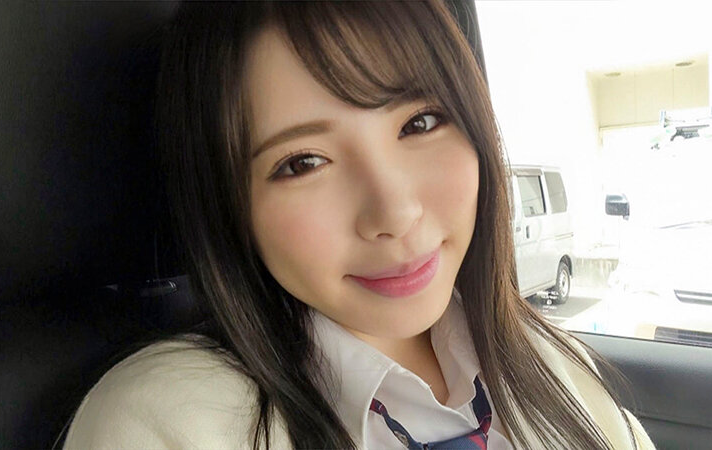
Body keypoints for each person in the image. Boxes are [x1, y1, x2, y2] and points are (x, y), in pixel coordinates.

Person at [64, 2, 655, 449]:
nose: (395, 213)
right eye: (303, 163)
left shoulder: (552, 363)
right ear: (228, 203)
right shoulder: (171, 423)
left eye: (421, 123)